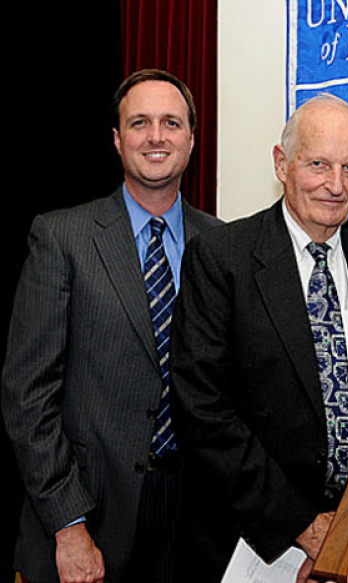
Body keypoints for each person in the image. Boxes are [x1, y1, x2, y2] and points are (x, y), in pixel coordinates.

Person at [170, 94, 348, 582]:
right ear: (282, 164)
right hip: (249, 543)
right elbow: (203, 412)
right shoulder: (221, 260)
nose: (335, 185)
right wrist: (301, 526)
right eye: (318, 164)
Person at [2, 69, 220, 583]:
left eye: (171, 123)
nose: (156, 136)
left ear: (191, 139)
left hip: (194, 522)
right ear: (118, 140)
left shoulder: (221, 245)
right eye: (139, 123)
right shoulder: (62, 237)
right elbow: (27, 395)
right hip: (90, 518)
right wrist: (69, 525)